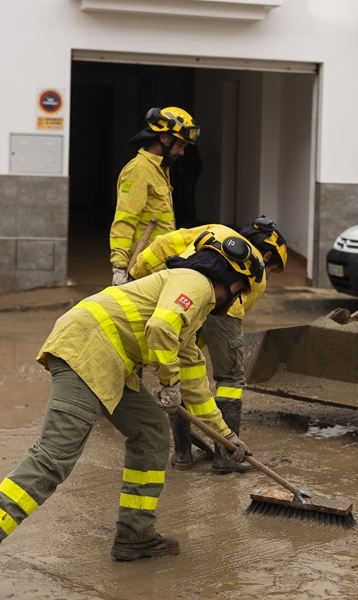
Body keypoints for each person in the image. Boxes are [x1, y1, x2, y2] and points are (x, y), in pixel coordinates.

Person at [0, 232, 263, 600]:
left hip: (114, 363)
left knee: (151, 431)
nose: (235, 299)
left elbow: (196, 383)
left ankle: (135, 535)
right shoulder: (195, 282)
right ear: (231, 280)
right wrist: (168, 381)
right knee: (53, 458)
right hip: (89, 348)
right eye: (239, 290)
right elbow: (161, 328)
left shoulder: (193, 313)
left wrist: (226, 438)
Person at [129, 216, 288, 474]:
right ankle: (225, 455)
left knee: (180, 374)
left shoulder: (215, 230)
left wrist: (135, 275)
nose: (269, 275)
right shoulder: (256, 271)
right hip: (221, 312)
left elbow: (163, 243)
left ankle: (182, 454)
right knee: (230, 380)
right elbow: (230, 309)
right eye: (273, 268)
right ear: (268, 255)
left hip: (181, 299)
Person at [110, 106, 200, 285]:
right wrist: (120, 267)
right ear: (165, 138)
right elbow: (125, 220)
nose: (182, 153)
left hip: (158, 264)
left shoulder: (160, 170)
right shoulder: (138, 170)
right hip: (140, 267)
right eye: (180, 145)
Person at [169, 143, 203, 228]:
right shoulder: (189, 144)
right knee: (184, 196)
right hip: (185, 173)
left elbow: (193, 162)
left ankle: (190, 220)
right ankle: (187, 220)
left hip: (189, 173)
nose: (181, 152)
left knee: (187, 196)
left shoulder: (189, 144)